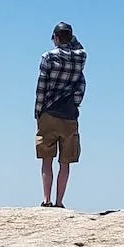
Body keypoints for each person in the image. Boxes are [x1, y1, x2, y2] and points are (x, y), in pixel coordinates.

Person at [33, 22, 87, 208]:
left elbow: (41, 86)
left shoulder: (48, 57)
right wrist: (75, 104)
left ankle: (46, 200)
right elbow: (81, 86)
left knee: (46, 158)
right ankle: (59, 201)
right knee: (65, 162)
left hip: (48, 111)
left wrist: (38, 110)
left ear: (55, 37)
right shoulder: (80, 58)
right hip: (69, 113)